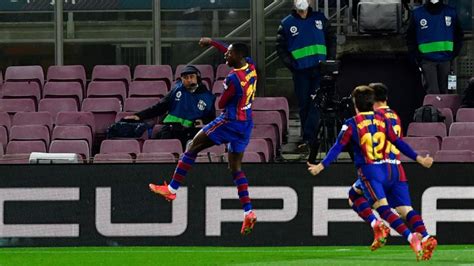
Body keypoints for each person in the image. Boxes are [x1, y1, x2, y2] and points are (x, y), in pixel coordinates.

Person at [307, 86, 434, 261]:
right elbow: (397, 142)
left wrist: (320, 166)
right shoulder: (383, 119)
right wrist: (419, 158)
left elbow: (337, 147)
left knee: (382, 208)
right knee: (399, 207)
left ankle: (410, 237)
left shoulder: (351, 123)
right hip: (391, 167)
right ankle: (425, 236)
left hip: (371, 170)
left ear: (355, 104)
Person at [148, 38, 258, 236]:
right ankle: (248, 211)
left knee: (192, 146)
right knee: (235, 167)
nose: (226, 54)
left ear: (238, 56)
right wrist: (213, 43)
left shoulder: (232, 78)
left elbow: (222, 103)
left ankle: (172, 189)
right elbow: (228, 49)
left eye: (229, 53)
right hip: (246, 123)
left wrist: (226, 91)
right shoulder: (250, 66)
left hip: (230, 121)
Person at [347, 83, 437, 260]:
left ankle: (378, 226)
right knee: (405, 209)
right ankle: (426, 236)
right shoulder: (394, 115)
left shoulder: (375, 117)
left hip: (378, 165)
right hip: (396, 166)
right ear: (386, 98)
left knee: (354, 197)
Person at [276, 0, 335, 151]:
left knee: (316, 103)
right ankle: (310, 138)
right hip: (300, 71)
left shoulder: (320, 19)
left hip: (319, 69)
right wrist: (292, 65)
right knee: (304, 105)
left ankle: (309, 138)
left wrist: (330, 61)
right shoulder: (286, 23)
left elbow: (331, 39)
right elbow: (281, 48)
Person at [124, 65, 216, 149]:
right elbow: (160, 107)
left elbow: (212, 118)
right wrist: (139, 115)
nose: (189, 80)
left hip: (193, 132)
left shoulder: (208, 97)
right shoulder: (176, 91)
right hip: (173, 130)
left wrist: (204, 122)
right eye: (185, 78)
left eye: (191, 77)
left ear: (197, 78)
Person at [406, 0, 464, 94]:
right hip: (427, 60)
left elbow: (459, 35)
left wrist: (454, 53)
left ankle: (445, 108)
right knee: (433, 93)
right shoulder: (417, 14)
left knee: (446, 93)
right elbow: (410, 37)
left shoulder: (450, 12)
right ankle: (433, 109)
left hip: (446, 60)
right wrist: (417, 57)